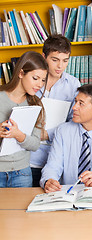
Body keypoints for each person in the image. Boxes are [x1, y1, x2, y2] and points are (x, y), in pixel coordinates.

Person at [40, 84, 92, 192]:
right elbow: (53, 165)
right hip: (67, 194)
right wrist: (49, 180)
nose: (74, 107)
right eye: (75, 102)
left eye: (81, 104)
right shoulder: (63, 131)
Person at [30, 34, 81, 187]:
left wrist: (47, 134)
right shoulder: (30, 81)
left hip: (58, 159)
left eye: (65, 61)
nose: (60, 66)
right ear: (44, 57)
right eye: (55, 60)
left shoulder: (73, 84)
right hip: (29, 159)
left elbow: (76, 122)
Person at [0, 51, 48, 188]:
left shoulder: (36, 105)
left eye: (43, 80)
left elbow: (35, 144)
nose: (40, 84)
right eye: (35, 78)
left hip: (22, 173)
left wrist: (18, 135)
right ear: (21, 73)